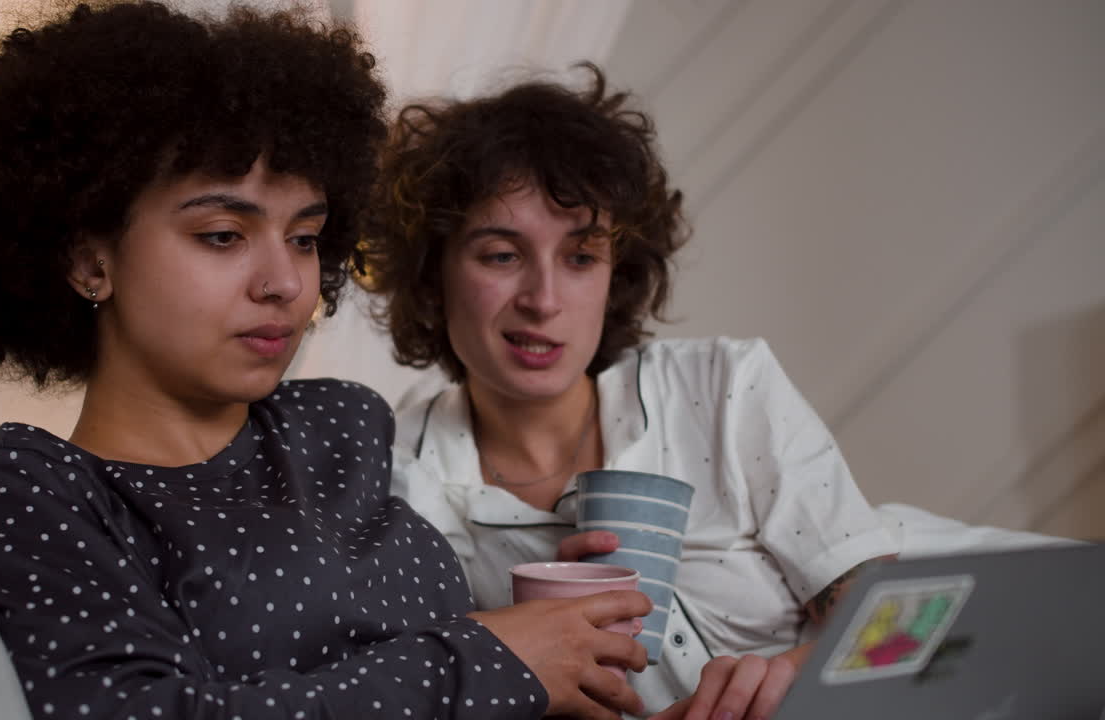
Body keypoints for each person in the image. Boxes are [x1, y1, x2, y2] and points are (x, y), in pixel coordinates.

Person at [0, 6, 652, 719]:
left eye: (305, 238)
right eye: (223, 235)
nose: (284, 283)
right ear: (90, 261)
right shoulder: (22, 498)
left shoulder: (342, 427)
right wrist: (487, 663)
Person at [360, 64, 901, 719]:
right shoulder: (394, 479)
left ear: (616, 274)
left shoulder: (723, 387)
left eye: (580, 257)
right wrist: (540, 645)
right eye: (502, 255)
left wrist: (779, 680)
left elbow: (895, 622)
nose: (544, 300)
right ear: (431, 273)